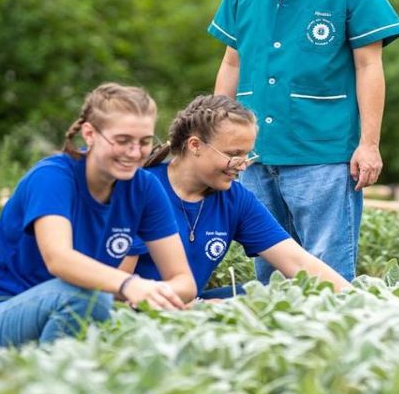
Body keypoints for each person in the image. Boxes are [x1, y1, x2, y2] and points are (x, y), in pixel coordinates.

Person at [209, 0, 399, 283]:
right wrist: (217, 138)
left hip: (325, 154)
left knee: (327, 275)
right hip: (256, 153)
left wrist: (369, 144)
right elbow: (232, 62)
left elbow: (369, 66)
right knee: (269, 274)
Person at [0, 83, 196, 351]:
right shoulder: (52, 177)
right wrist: (129, 285)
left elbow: (183, 281)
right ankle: (54, 386)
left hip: (62, 308)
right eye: (122, 141)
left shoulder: (144, 188)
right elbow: (58, 259)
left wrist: (154, 294)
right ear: (89, 133)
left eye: (144, 142)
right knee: (89, 300)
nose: (134, 153)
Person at [125, 95, 352, 297]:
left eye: (247, 154)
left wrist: (363, 302)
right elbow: (117, 287)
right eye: (234, 154)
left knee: (271, 294)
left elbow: (297, 261)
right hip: (136, 307)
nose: (242, 166)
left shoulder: (236, 199)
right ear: (195, 145)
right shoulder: (139, 190)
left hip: (189, 303)